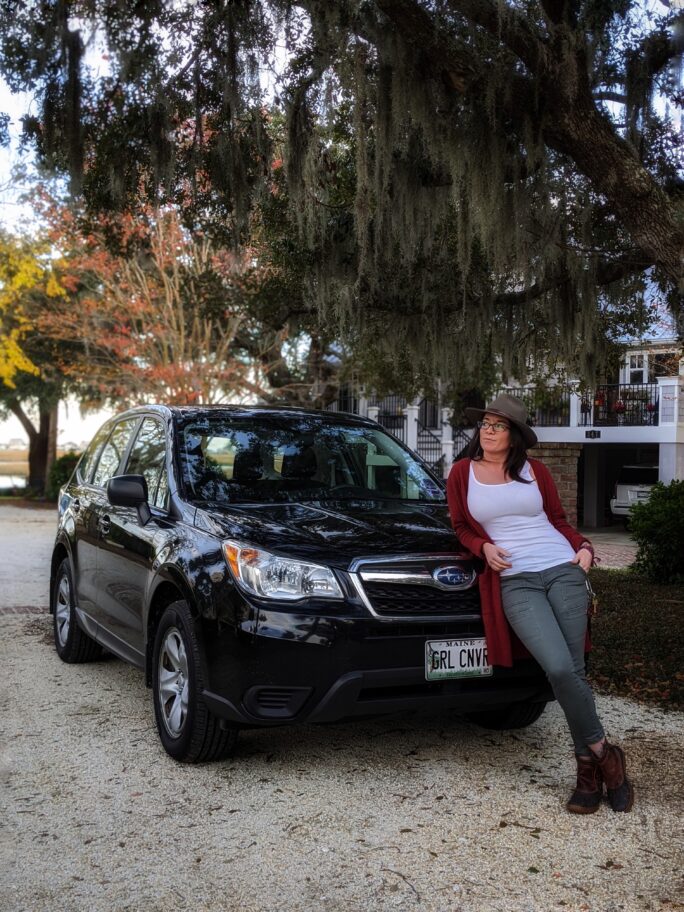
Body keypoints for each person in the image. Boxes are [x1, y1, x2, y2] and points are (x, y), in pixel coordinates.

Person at [446, 394, 633, 814]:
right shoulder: (462, 473)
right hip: (516, 581)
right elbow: (459, 525)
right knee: (559, 667)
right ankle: (605, 753)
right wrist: (482, 546)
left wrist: (584, 548)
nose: (488, 431)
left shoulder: (537, 472)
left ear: (514, 437)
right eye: (486, 424)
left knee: (575, 670)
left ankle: (586, 772)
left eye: (498, 425)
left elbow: (559, 520)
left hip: (562, 569)